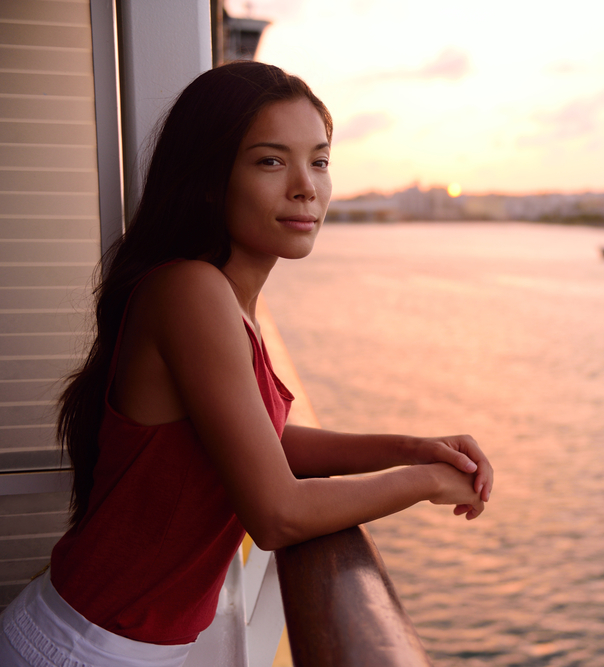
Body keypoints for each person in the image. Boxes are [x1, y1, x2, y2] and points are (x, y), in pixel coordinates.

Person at [0, 61, 493, 667]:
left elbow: (266, 441)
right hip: (89, 648)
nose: (305, 186)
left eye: (319, 160)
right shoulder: (191, 292)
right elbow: (278, 514)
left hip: (117, 642)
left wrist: (414, 448)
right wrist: (423, 483)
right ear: (209, 179)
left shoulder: (225, 299)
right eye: (270, 160)